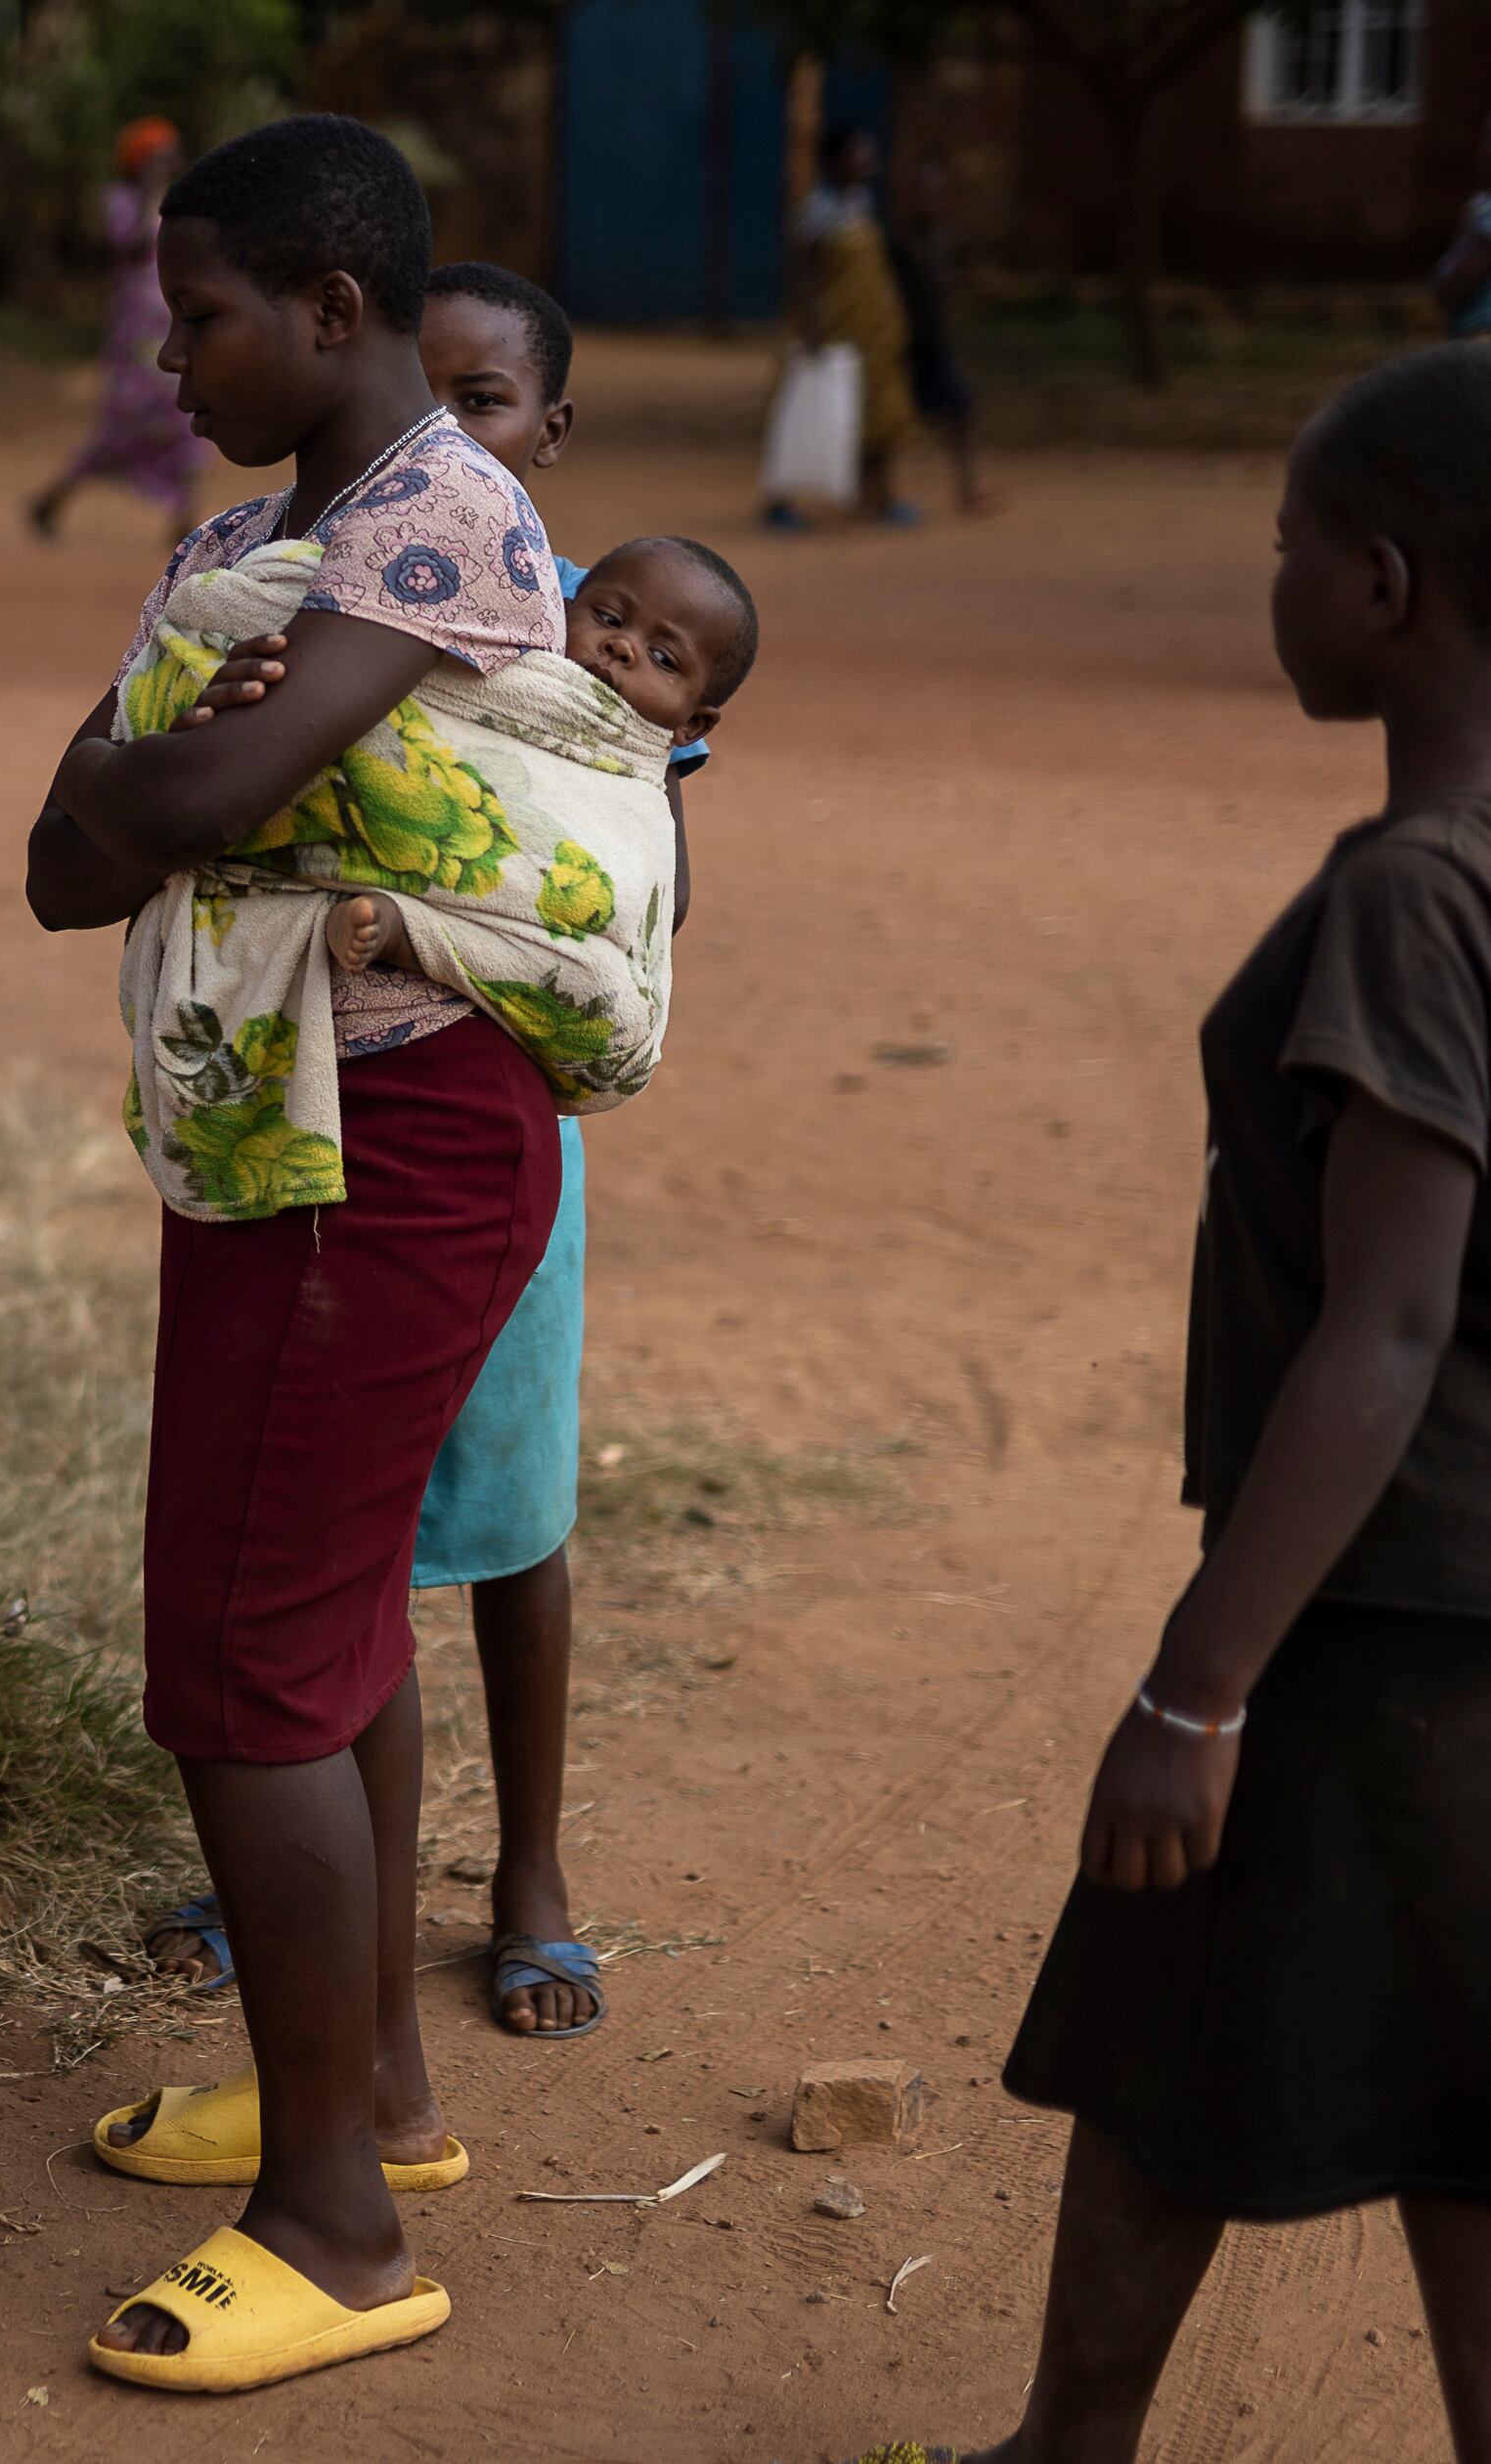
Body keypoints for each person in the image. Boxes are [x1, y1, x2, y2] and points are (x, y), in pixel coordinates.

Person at [852, 344, 1491, 2464]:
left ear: (1387, 584)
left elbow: (1388, 1324)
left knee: (1179, 2027)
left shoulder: (1420, 899)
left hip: (1369, 1610)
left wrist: (1202, 1686)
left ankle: (1067, 2448)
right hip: (1437, 1596)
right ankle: (1066, 2440)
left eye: (1290, 545)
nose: (1276, 578)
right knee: (1407, 2075)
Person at [26, 116, 571, 2394]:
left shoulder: (440, 521)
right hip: (283, 1134)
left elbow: (174, 807)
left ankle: (338, 2228)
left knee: (247, 1659)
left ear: (335, 314)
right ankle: (368, 2103)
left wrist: (181, 770)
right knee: (319, 1623)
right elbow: (77, 853)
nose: (179, 359)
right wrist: (171, 773)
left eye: (210, 315)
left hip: (392, 1143)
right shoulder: (266, 537)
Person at [28, 117, 213, 542]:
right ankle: (53, 499)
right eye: (157, 156)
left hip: (172, 332)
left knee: (185, 417)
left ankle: (183, 520)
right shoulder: (121, 201)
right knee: (123, 427)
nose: (166, 163)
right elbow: (128, 243)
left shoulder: (177, 203)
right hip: (134, 339)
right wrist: (149, 189)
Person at [768, 125, 918, 531]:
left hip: (869, 330)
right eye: (858, 155)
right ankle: (780, 500)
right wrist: (812, 327)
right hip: (830, 329)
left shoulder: (859, 201)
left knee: (879, 410)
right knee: (804, 412)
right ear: (835, 160)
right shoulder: (817, 209)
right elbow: (807, 273)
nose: (867, 162)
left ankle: (880, 496)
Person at [890, 162, 999, 517]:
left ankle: (967, 490)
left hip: (935, 344)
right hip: (904, 346)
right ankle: (878, 495)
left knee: (962, 411)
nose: (931, 204)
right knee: (889, 423)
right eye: (924, 196)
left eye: (937, 196)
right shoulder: (897, 244)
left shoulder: (943, 240)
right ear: (910, 200)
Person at [1431, 111, 1491, 339]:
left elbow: (1456, 286)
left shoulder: (1485, 220)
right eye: (1485, 140)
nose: (1485, 151)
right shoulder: (1480, 208)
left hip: (1480, 339)